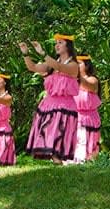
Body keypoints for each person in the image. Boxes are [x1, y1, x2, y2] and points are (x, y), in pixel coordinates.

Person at [20, 34, 79, 164]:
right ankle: (55, 161)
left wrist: (42, 53)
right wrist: (26, 53)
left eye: (60, 43)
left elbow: (61, 68)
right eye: (56, 43)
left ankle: (58, 161)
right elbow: (33, 68)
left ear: (68, 45)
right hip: (49, 105)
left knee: (58, 135)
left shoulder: (74, 65)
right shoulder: (51, 65)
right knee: (47, 133)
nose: (56, 45)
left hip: (64, 107)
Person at [71, 54, 101, 163]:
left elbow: (88, 86)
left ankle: (89, 161)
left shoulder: (93, 80)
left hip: (89, 118)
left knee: (89, 145)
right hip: (74, 117)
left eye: (78, 64)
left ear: (86, 65)